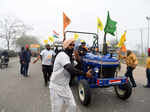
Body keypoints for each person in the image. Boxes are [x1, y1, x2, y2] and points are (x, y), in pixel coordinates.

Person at [49, 38, 92, 112]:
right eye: (70, 45)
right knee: (57, 109)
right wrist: (85, 74)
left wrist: (77, 57)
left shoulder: (69, 56)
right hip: (56, 86)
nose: (72, 46)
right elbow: (70, 69)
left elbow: (77, 66)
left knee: (72, 106)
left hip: (65, 86)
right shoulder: (62, 55)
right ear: (66, 46)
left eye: (73, 45)